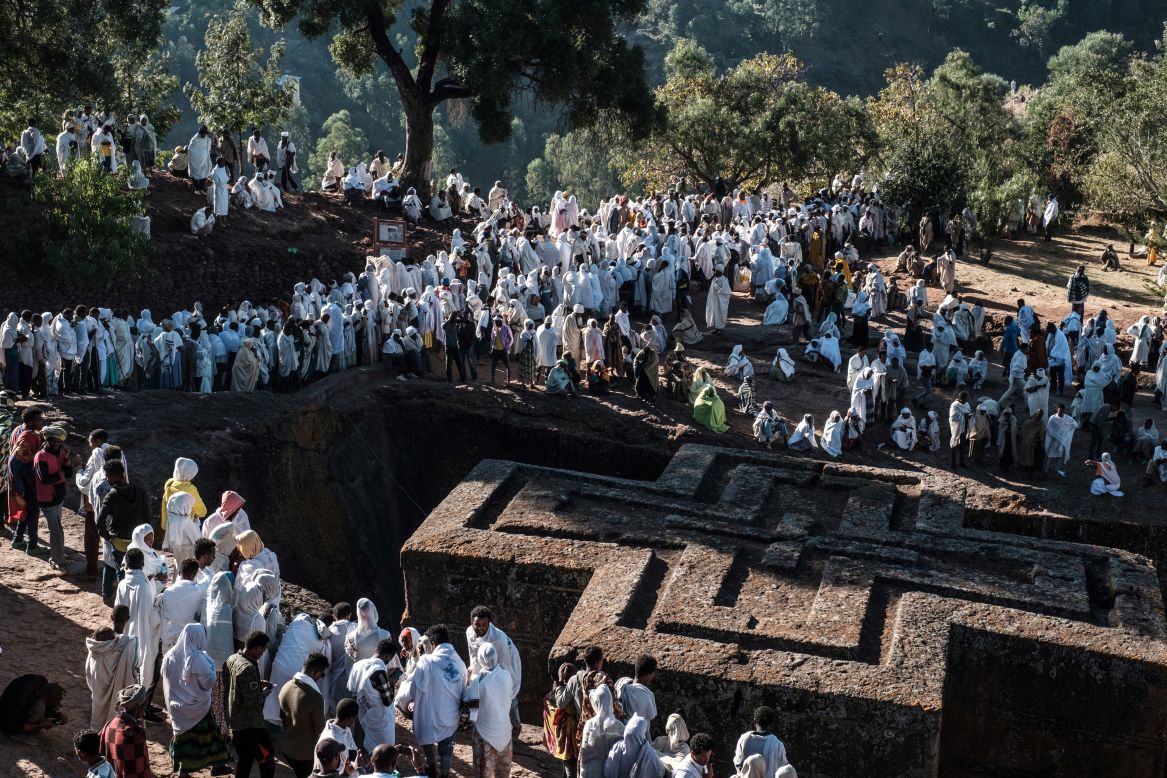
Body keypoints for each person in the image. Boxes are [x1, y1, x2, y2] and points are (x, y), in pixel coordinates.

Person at [395, 625, 466, 778]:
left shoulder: (426, 661)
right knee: (446, 750)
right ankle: (445, 774)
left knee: (428, 744)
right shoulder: (461, 664)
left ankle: (432, 768)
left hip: (430, 716)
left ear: (432, 644)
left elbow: (414, 691)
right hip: (450, 717)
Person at [162, 624, 231, 777]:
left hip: (177, 706)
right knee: (210, 735)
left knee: (184, 739)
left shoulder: (170, 654)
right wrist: (212, 666)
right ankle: (217, 765)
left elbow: (166, 678)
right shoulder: (197, 658)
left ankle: (183, 772)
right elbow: (209, 682)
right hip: (198, 707)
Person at [225, 631, 277, 778]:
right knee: (267, 758)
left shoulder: (232, 659)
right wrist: (265, 693)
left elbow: (233, 686)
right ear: (256, 648)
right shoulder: (248, 668)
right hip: (250, 725)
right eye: (263, 649)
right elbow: (252, 702)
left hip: (235, 722)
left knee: (245, 760)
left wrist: (257, 684)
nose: (263, 653)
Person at [466, 606, 522, 738]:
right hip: (483, 659)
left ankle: (516, 726)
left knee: (510, 695)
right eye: (477, 624)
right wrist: (475, 677)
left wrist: (498, 683)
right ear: (471, 623)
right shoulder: (469, 632)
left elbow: (505, 666)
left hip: (506, 662)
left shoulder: (498, 639)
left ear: (489, 624)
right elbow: (473, 655)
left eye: (484, 625)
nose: (480, 628)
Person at [463, 644, 513, 778]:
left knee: (484, 768)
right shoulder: (506, 675)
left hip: (484, 731)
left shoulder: (478, 682)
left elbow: (467, 702)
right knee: (501, 768)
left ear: (480, 659)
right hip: (504, 729)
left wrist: (468, 681)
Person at [115, 548, 161, 690]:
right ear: (142, 564)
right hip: (141, 635)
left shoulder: (122, 584)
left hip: (124, 634)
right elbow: (150, 616)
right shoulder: (143, 586)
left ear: (126, 565)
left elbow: (117, 610)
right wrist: (159, 608)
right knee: (141, 670)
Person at [280, 653, 330, 778]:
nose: (320, 678)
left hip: (287, 747)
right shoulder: (315, 697)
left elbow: (283, 718)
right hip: (305, 755)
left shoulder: (286, 686)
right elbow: (321, 731)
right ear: (315, 672)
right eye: (321, 675)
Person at [349, 637, 399, 752]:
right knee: (380, 751)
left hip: (361, 712)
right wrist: (391, 683)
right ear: (388, 657)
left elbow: (353, 692)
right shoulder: (379, 672)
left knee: (361, 747)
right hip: (378, 720)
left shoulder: (357, 665)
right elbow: (387, 700)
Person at [85, 624, 138, 731]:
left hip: (98, 691)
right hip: (116, 692)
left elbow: (88, 671)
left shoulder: (93, 650)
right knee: (113, 721)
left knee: (98, 715)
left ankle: (96, 735)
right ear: (113, 639)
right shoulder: (120, 648)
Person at [33, 425, 72, 570]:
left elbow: (69, 474)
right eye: (53, 441)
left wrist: (67, 462)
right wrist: (62, 472)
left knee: (59, 527)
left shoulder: (61, 452)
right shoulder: (41, 457)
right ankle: (56, 559)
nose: (56, 444)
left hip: (58, 496)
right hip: (47, 498)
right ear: (47, 440)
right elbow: (44, 479)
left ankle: (59, 555)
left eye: (58, 441)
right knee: (55, 529)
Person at [99, 685, 150, 778]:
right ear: (139, 707)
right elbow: (139, 770)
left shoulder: (110, 724)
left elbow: (100, 752)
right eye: (145, 704)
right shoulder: (136, 735)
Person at [158, 557, 205, 653]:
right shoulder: (200, 591)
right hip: (190, 642)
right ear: (194, 574)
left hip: (170, 642)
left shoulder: (168, 592)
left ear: (179, 572)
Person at [580, 685, 624, 778]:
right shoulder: (619, 726)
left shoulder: (590, 725)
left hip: (592, 771)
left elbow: (584, 754)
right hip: (612, 771)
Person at [1045, 404, 1078, 477]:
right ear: (1057, 409)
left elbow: (1074, 424)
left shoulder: (1067, 418)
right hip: (1053, 442)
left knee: (1059, 458)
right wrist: (1055, 435)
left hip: (1061, 442)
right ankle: (1045, 471)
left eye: (1062, 411)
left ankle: (1056, 470)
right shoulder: (1053, 418)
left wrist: (1068, 429)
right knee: (1049, 457)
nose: (1061, 412)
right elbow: (1048, 430)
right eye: (1060, 410)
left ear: (1064, 410)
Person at [949, 392, 972, 468]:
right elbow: (953, 417)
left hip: (964, 427)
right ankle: (953, 463)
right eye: (965, 399)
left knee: (963, 445)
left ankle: (962, 462)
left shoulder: (967, 404)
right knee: (954, 444)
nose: (966, 400)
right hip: (956, 428)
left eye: (967, 398)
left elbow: (968, 411)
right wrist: (964, 416)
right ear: (961, 398)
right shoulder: (955, 405)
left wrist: (969, 415)